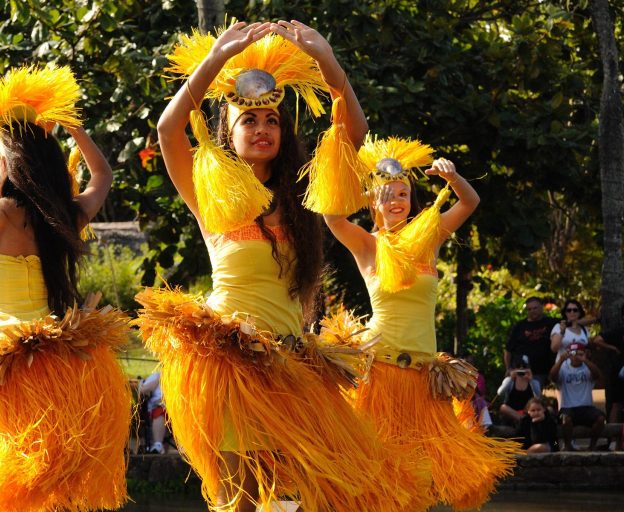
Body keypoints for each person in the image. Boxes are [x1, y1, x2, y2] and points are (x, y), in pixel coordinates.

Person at [139, 21, 431, 512]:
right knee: (243, 500)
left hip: (292, 364)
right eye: (249, 122)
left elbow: (351, 135)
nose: (262, 129)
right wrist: (214, 60)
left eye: (272, 120)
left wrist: (330, 65)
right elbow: (169, 131)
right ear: (228, 132)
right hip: (230, 363)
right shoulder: (210, 196)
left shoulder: (302, 197)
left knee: (315, 493)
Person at [0, 65, 131, 512]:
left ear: (10, 162)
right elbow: (101, 177)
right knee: (60, 466)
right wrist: (76, 131)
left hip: (7, 358)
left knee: (13, 457)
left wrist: (9, 153)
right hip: (61, 355)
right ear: (49, 166)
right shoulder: (65, 218)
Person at [320, 135, 520, 509]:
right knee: (379, 475)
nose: (396, 201)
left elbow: (470, 201)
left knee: (424, 477)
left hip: (426, 380)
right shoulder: (367, 245)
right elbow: (331, 216)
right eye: (388, 195)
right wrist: (369, 194)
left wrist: (453, 176)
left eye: (403, 194)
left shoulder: (430, 239)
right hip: (381, 373)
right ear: (374, 201)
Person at [550, 342, 607, 451]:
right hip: (567, 408)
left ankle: (592, 445)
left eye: (579, 353)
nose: (575, 356)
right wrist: (561, 360)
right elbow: (552, 377)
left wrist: (585, 360)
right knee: (565, 419)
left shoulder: (587, 368)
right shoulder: (563, 368)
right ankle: (568, 445)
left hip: (586, 407)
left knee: (600, 419)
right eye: (572, 353)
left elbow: (597, 375)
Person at [504, 297, 557, 386]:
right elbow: (508, 350)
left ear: (542, 307)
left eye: (535, 308)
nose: (532, 311)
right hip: (520, 371)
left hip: (541, 372)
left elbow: (572, 322)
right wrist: (508, 368)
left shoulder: (551, 322)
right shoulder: (519, 326)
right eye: (529, 309)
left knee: (535, 399)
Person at [590, 303, 624, 423]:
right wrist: (612, 348)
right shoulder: (618, 331)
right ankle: (613, 438)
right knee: (617, 404)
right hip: (620, 372)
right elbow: (597, 340)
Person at [497, 355, 542, 426]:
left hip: (528, 411)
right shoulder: (509, 381)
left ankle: (524, 421)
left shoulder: (534, 382)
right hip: (511, 412)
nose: (521, 369)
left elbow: (538, 397)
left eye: (524, 367)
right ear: (514, 368)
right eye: (518, 366)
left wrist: (531, 380)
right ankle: (524, 421)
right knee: (503, 408)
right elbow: (499, 393)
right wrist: (511, 378)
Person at [138, 371, 167, 454]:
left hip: (176, 408)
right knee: (160, 411)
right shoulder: (157, 376)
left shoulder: (180, 378)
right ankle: (158, 445)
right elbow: (142, 390)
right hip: (158, 407)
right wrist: (159, 379)